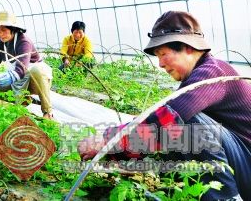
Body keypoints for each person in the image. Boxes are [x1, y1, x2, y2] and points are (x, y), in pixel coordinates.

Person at [78, 11, 251, 200]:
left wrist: (107, 140)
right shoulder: (198, 76)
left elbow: (167, 121)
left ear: (188, 48)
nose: (160, 64)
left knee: (183, 124)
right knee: (173, 132)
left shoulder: (212, 72)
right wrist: (118, 154)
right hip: (239, 162)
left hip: (246, 163)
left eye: (163, 54)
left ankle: (225, 197)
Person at [0, 11, 54, 119]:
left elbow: (21, 71)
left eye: (4, 30)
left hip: (35, 82)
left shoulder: (24, 42)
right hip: (18, 82)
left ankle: (48, 113)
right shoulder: (1, 44)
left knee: (38, 70)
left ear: (13, 29)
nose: (0, 33)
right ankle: (23, 100)